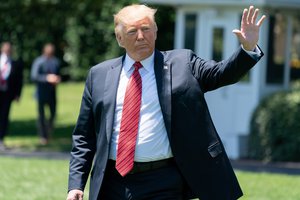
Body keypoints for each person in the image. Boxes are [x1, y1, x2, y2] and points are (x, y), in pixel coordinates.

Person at [67, 4, 266, 200]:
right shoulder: (99, 75)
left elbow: (221, 74)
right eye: (132, 31)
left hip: (162, 181)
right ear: (119, 38)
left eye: (146, 29)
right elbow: (84, 137)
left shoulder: (182, 63)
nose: (140, 36)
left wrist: (247, 49)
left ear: (155, 31)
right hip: (111, 182)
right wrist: (76, 184)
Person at [31, 43, 61, 145]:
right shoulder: (39, 62)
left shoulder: (55, 62)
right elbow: (34, 76)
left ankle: (48, 132)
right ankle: (43, 136)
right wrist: (47, 78)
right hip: (41, 93)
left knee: (53, 114)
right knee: (41, 116)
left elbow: (57, 74)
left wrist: (57, 79)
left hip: (52, 93)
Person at [0, 42, 23, 151]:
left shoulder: (15, 63)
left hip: (7, 94)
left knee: (4, 117)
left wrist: (18, 94)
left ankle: (1, 139)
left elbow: (19, 81)